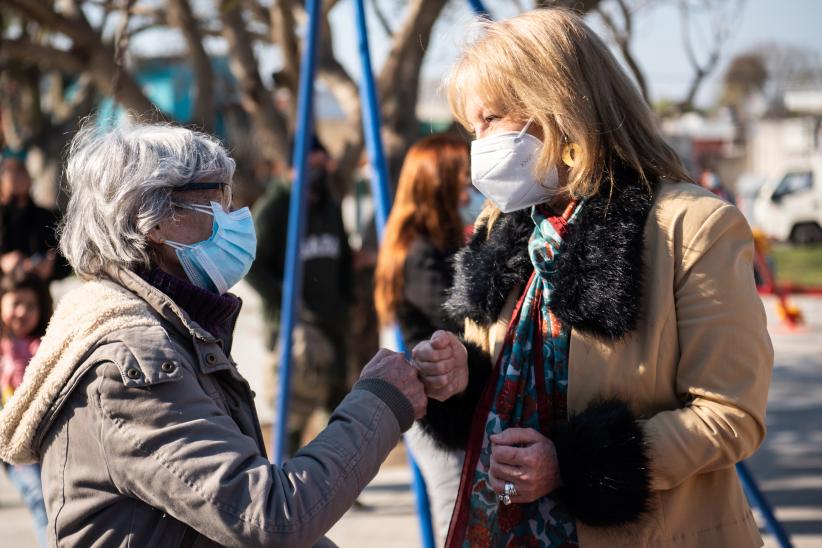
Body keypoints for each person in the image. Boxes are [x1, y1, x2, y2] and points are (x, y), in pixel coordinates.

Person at [412, 8, 773, 547]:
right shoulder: (503, 227)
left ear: (556, 107)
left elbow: (729, 414)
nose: (478, 145)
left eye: (489, 119)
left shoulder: (693, 227)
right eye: (472, 128)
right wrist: (458, 378)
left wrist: (571, 464)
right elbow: (502, 391)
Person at [0, 122, 427, 547]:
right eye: (218, 199)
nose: (235, 216)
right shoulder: (130, 365)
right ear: (154, 222)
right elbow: (271, 517)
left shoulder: (175, 328)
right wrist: (380, 399)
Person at [373, 134, 475, 544]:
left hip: (443, 398)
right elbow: (453, 323)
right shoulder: (418, 251)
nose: (470, 182)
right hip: (435, 407)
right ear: (439, 183)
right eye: (461, 174)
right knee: (453, 504)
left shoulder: (433, 241)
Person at [246, 137, 353, 454]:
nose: (319, 173)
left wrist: (346, 301)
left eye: (323, 166)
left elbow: (343, 256)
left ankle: (336, 480)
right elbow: (253, 264)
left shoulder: (329, 206)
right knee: (293, 409)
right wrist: (285, 299)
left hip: (331, 321)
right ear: (293, 169)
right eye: (312, 166)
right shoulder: (275, 208)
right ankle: (288, 472)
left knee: (336, 406)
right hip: (294, 328)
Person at [0, 271, 51, 546]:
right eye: (15, 303)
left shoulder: (43, 345)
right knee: (38, 497)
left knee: (51, 500)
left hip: (41, 438)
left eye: (30, 306)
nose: (21, 312)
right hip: (12, 443)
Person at [0, 151, 70, 282]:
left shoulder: (48, 216)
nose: (18, 178)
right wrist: (3, 263)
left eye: (21, 172)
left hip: (39, 291)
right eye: (12, 173)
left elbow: (65, 261)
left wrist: (51, 266)